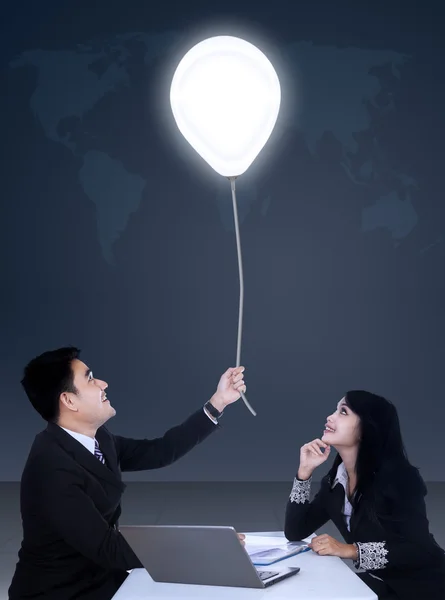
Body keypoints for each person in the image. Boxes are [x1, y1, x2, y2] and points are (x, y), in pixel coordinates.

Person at [8, 346, 247, 600]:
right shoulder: (51, 467)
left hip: (101, 578)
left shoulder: (98, 437)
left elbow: (160, 451)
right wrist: (203, 545)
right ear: (68, 400)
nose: (103, 383)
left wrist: (218, 401)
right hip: (61, 592)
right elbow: (108, 548)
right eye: (90, 379)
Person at [284, 390, 445, 600]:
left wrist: (351, 550)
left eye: (343, 412)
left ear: (366, 429)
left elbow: (418, 548)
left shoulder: (400, 478)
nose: (330, 416)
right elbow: (295, 531)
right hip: (382, 585)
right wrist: (304, 473)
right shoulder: (335, 483)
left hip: (427, 589)